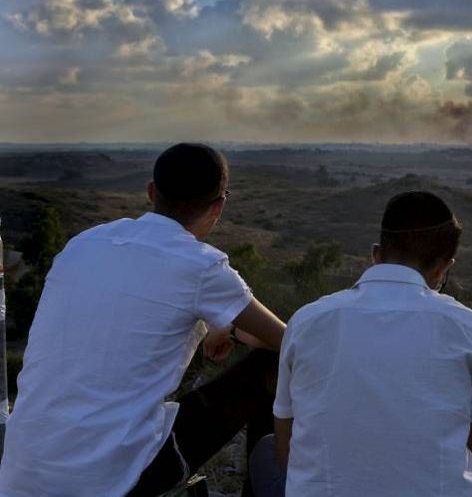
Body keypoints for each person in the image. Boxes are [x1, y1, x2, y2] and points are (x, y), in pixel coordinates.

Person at [0, 143, 287, 497]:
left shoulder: (84, 243)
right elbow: (286, 340)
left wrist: (222, 327)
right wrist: (232, 330)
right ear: (219, 206)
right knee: (273, 365)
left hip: (21, 472)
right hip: (109, 482)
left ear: (151, 192)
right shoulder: (202, 267)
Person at [249, 190, 472, 497]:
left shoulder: (307, 320)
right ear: (442, 267)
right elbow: (465, 450)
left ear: (376, 255)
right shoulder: (470, 328)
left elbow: (286, 449)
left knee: (265, 451)